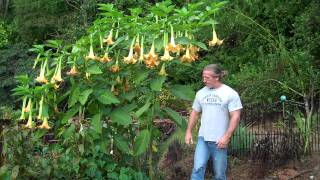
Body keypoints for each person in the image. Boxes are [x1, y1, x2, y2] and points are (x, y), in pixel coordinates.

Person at [185, 64, 242, 180]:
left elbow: (236, 116)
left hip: (219, 140)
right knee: (197, 168)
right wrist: (188, 132)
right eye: (203, 77)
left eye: (207, 77)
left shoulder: (230, 93)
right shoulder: (201, 93)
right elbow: (195, 113)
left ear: (217, 77)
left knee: (219, 174)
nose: (204, 80)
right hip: (203, 138)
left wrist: (226, 137)